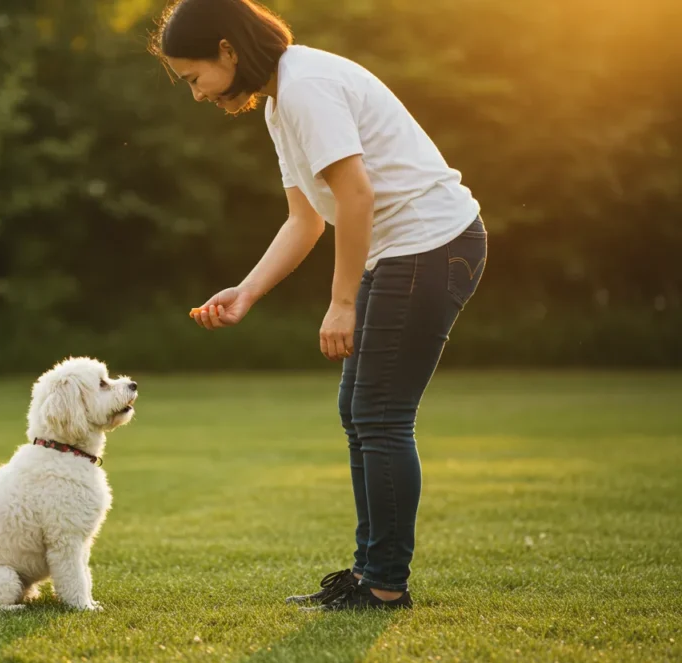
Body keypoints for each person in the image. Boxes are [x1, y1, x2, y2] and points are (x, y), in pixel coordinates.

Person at [153, 0, 487, 610]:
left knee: (381, 414)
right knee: (360, 410)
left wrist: (342, 303)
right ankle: (368, 575)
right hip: (407, 251)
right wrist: (246, 291)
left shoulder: (307, 87)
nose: (196, 95)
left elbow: (356, 197)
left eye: (194, 78)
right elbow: (305, 219)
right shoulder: (282, 101)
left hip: (429, 244)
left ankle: (384, 584)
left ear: (227, 50)